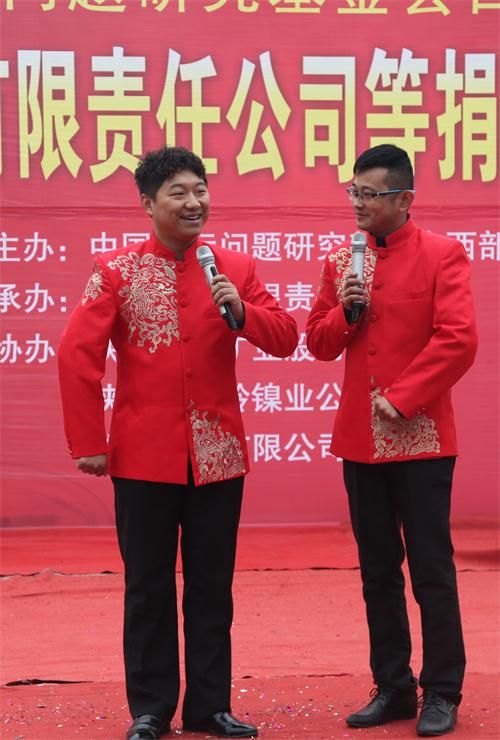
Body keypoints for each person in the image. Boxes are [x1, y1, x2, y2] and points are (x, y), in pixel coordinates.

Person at [58, 146, 298, 740]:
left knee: (212, 587)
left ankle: (209, 707)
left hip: (218, 455)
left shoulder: (235, 268)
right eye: (179, 193)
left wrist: (243, 311)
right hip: (143, 457)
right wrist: (88, 441)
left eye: (200, 190)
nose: (194, 202)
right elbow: (76, 355)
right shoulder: (117, 270)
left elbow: (285, 337)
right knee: (148, 587)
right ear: (148, 204)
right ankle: (151, 709)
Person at [306, 144, 477, 737]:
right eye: (353, 192)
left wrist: (403, 398)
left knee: (431, 569)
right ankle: (394, 687)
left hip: (422, 437)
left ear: (404, 199)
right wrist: (346, 311)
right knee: (378, 570)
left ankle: (443, 690)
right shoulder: (341, 261)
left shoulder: (442, 254)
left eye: (370, 194)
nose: (358, 204)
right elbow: (318, 342)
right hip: (361, 440)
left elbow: (458, 339)